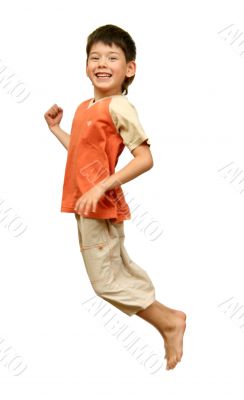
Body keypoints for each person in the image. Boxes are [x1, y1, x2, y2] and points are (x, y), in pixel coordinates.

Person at [44, 24, 186, 371]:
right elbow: (79, 152)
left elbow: (145, 158)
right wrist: (56, 130)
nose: (102, 63)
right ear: (85, 64)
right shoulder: (84, 107)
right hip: (85, 203)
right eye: (95, 57)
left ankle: (168, 321)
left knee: (105, 283)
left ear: (130, 68)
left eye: (112, 57)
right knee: (117, 269)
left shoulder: (119, 106)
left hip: (98, 203)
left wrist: (100, 187)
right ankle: (168, 316)